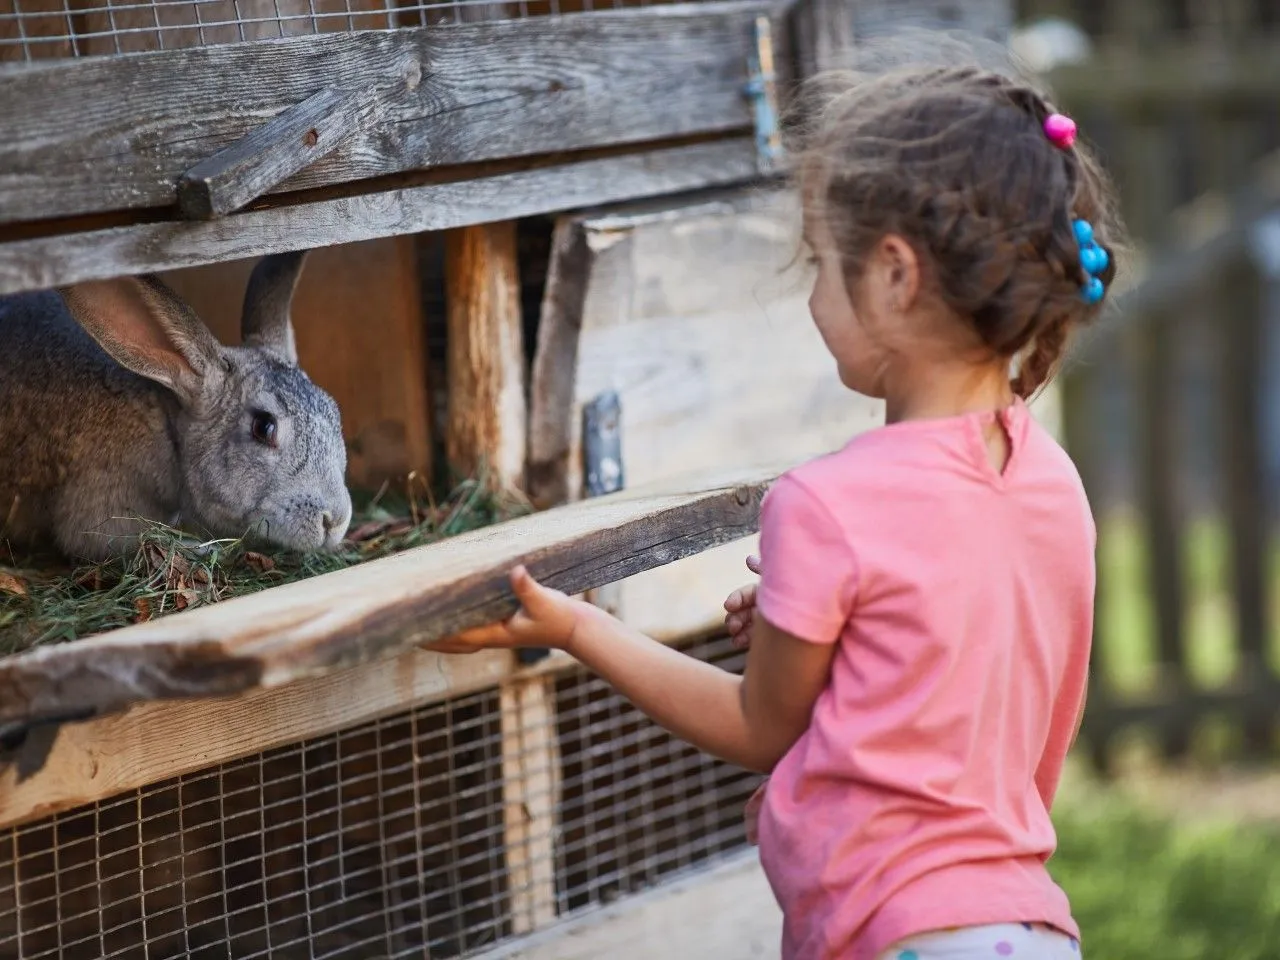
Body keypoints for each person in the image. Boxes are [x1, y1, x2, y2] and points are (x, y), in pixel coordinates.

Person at [427, 59, 1121, 960]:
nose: (812, 294)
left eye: (822, 263)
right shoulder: (1051, 481)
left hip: (894, 930)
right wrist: (847, 654)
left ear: (896, 275)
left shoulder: (828, 506)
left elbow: (760, 728)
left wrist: (574, 628)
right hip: (1026, 928)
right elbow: (983, 703)